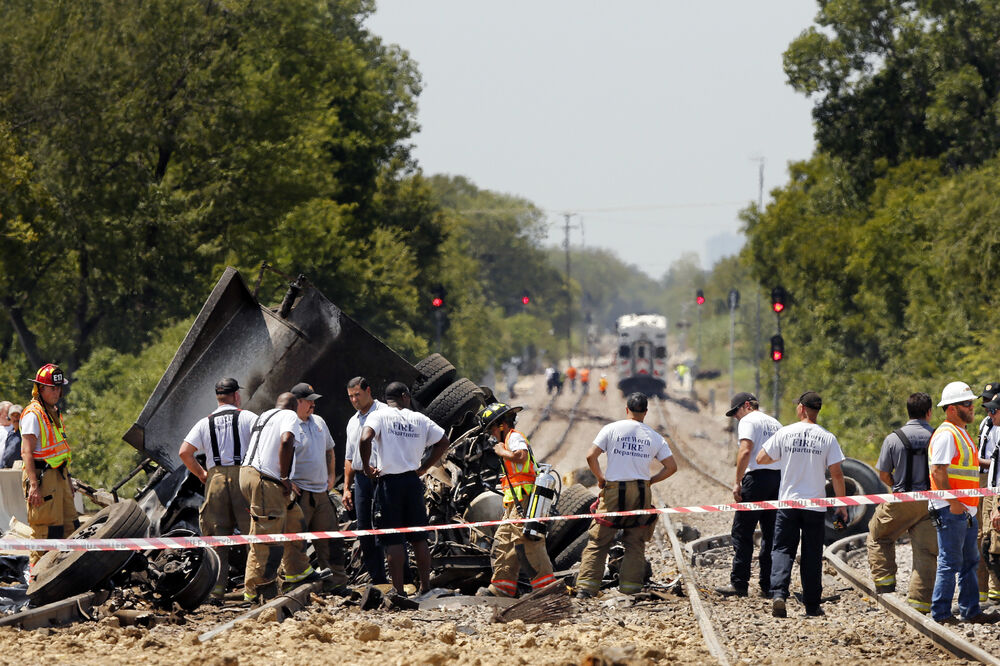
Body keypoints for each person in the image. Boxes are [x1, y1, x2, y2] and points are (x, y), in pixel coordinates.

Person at [575, 392, 677, 598]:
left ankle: (586, 589)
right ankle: (630, 589)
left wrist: (600, 478)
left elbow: (590, 456)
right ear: (645, 412)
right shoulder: (655, 437)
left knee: (599, 540)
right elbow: (671, 467)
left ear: (626, 409)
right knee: (635, 542)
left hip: (614, 490)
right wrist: (650, 481)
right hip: (640, 492)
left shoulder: (611, 429)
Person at [756, 391, 848, 618]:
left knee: (782, 549)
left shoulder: (785, 432)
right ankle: (812, 605)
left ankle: (779, 594)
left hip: (788, 503)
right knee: (812, 554)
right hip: (814, 506)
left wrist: (786, 457)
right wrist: (842, 505)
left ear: (802, 408)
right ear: (817, 410)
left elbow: (761, 458)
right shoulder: (828, 437)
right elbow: (837, 474)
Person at [358, 382, 449, 598]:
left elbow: (365, 438)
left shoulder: (379, 416)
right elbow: (443, 441)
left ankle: (398, 592)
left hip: (389, 484)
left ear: (387, 399)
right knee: (419, 537)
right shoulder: (420, 419)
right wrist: (425, 467)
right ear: (405, 396)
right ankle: (425, 587)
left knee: (393, 539)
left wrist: (367, 468)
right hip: (412, 482)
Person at [178, 377, 258, 601]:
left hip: (215, 479)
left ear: (218, 397)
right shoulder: (248, 417)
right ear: (236, 395)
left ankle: (216, 591)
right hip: (243, 476)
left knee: (216, 539)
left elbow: (184, 452)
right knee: (252, 535)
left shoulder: (205, 422)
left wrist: (202, 474)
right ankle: (253, 589)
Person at [927, 381, 996, 624]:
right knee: (950, 562)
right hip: (951, 509)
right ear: (951, 409)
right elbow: (938, 471)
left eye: (971, 403)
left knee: (970, 561)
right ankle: (941, 614)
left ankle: (970, 610)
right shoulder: (947, 434)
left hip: (965, 509)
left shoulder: (961, 433)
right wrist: (953, 502)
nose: (972, 407)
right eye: (966, 403)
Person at [240, 393, 319, 604]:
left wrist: (283, 479)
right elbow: (286, 440)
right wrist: (284, 477)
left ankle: (297, 571)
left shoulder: (264, 416)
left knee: (294, 518)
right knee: (267, 536)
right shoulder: (289, 416)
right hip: (266, 480)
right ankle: (255, 590)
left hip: (253, 475)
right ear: (295, 405)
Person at [865, 392, 937, 613]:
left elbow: (883, 474)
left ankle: (885, 586)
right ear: (929, 412)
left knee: (878, 535)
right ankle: (920, 603)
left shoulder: (893, 438)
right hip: (930, 502)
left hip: (901, 499)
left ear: (908, 412)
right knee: (926, 551)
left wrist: (897, 483)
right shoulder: (938, 437)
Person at [475, 402, 555, 598]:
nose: (492, 435)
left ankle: (547, 589)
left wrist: (502, 452)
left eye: (492, 430)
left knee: (529, 541)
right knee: (504, 541)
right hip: (514, 501)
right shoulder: (508, 439)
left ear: (502, 425)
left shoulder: (514, 437)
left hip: (524, 499)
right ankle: (501, 588)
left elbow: (521, 456)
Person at [715, 392, 781, 598]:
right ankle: (768, 585)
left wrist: (737, 482)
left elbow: (745, 451)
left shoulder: (748, 420)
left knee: (742, 531)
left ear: (746, 406)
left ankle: (739, 583)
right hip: (777, 479)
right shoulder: (775, 423)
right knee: (770, 533)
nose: (736, 417)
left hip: (756, 479)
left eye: (736, 412)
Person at [287, 381, 348, 591]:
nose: (313, 405)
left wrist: (331, 476)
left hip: (321, 493)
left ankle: (336, 583)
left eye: (314, 401)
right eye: (309, 401)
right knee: (295, 543)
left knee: (331, 540)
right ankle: (293, 585)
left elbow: (330, 449)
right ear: (297, 402)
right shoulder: (289, 425)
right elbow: (277, 455)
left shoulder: (319, 421)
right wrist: (287, 481)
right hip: (300, 495)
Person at [20, 364, 79, 568]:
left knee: (71, 527)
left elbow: (60, 451)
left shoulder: (53, 412)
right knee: (45, 533)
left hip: (59, 475)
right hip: (42, 478)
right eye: (52, 388)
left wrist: (68, 479)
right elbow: (26, 452)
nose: (57, 392)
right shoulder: (33, 414)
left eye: (58, 388)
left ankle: (68, 575)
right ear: (40, 389)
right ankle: (37, 581)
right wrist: (34, 486)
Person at [343, 377, 388, 584]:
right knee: (364, 529)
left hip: (383, 477)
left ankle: (403, 578)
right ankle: (378, 579)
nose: (354, 400)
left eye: (357, 395)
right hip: (361, 479)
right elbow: (349, 458)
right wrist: (346, 488)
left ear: (368, 391)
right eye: (351, 396)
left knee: (389, 526)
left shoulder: (385, 413)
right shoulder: (353, 422)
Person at [977, 391, 1000, 604]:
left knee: (994, 543)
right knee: (986, 539)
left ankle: (995, 593)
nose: (989, 412)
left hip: (996, 492)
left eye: (993, 409)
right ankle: (987, 593)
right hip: (989, 488)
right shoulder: (987, 424)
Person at [1, 405, 23, 469]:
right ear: (9, 418)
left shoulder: (25, 433)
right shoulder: (10, 433)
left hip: (18, 469)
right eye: (13, 415)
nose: (16, 418)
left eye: (18, 415)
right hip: (6, 468)